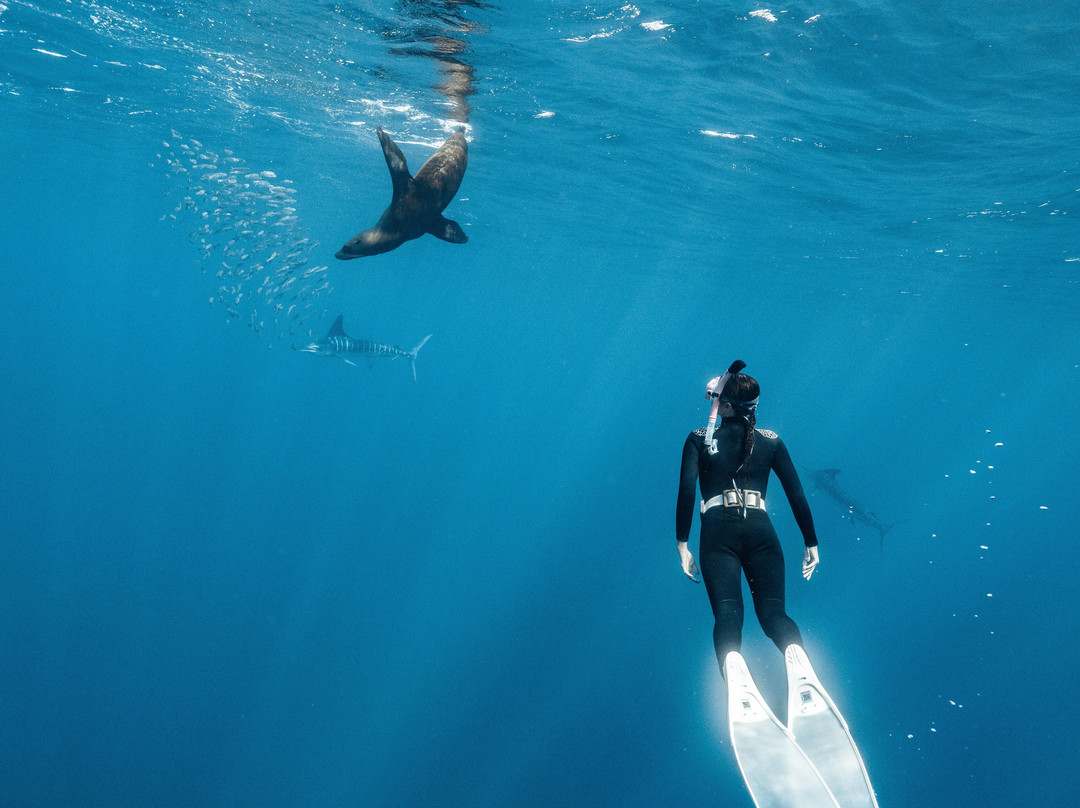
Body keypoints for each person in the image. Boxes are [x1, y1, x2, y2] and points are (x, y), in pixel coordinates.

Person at [675, 360, 820, 670]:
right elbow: (797, 494)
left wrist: (682, 543)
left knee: (728, 613)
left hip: (718, 533)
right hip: (761, 530)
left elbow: (687, 491)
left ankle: (734, 673)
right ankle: (799, 659)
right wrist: (812, 543)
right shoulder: (771, 439)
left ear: (724, 405)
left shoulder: (698, 438)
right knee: (774, 615)